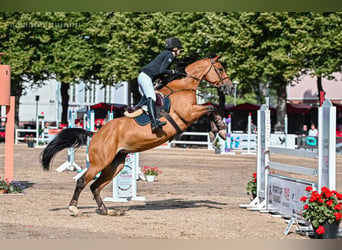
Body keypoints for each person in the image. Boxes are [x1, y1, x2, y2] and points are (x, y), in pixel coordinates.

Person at [137, 37, 182, 133]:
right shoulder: (170, 55)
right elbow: (162, 70)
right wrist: (173, 72)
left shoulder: (165, 54)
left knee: (147, 104)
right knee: (152, 97)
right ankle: (154, 123)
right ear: (175, 48)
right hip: (146, 77)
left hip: (143, 77)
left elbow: (161, 73)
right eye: (179, 48)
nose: (180, 51)